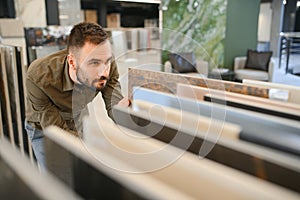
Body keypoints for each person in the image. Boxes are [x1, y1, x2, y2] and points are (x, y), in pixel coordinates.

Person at [25, 22, 130, 170]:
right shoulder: (38, 77)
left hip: (77, 115)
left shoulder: (107, 64)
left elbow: (114, 102)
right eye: (94, 63)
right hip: (43, 127)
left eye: (106, 62)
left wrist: (122, 114)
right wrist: (98, 147)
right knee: (55, 176)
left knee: (83, 170)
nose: (103, 73)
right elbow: (58, 134)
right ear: (72, 62)